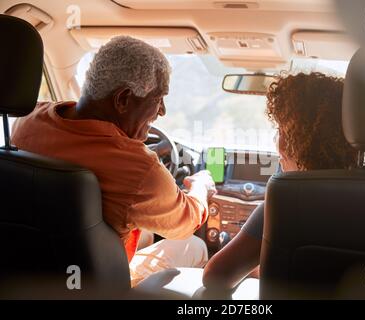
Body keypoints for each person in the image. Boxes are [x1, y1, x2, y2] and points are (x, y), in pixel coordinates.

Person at [11, 36, 216, 287]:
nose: (162, 111)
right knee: (193, 245)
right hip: (95, 287)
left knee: (144, 231)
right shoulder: (139, 168)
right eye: (158, 98)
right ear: (123, 99)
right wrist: (200, 187)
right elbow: (186, 223)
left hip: (24, 274)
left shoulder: (28, 119)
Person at [202, 72, 365, 291]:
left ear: (304, 142)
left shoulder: (287, 199)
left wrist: (260, 265)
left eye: (283, 131)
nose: (278, 144)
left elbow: (215, 277)